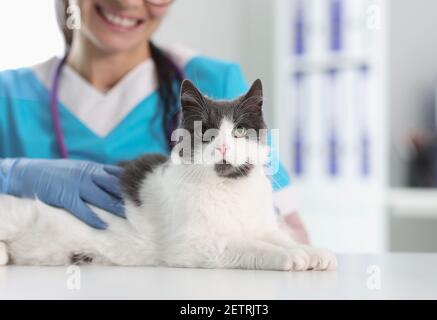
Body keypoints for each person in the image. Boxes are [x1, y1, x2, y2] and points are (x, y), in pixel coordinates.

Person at [0, 0, 308, 243]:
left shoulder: (217, 84)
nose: (128, 3)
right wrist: (10, 175)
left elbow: (286, 231)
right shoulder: (8, 94)